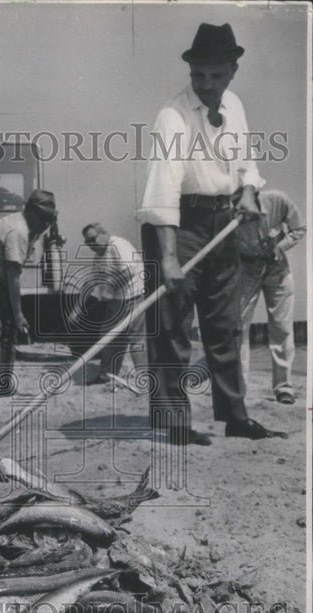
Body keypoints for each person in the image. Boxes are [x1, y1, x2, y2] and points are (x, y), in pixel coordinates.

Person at [137, 22, 284, 445]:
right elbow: (162, 190)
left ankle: (235, 416)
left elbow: (247, 164)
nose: (206, 84)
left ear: (233, 70)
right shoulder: (173, 116)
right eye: (198, 75)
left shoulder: (234, 105)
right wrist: (167, 257)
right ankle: (173, 421)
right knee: (172, 326)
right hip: (178, 227)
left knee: (224, 324)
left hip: (224, 223)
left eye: (216, 76)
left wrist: (250, 191)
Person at [0, 190, 58, 396]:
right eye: (43, 219)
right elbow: (14, 277)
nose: (46, 225)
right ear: (31, 212)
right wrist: (19, 315)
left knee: (8, 327)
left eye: (49, 220)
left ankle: (2, 381)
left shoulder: (33, 227)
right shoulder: (18, 231)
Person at [236, 189, 306, 405]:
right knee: (238, 328)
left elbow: (299, 227)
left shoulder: (278, 199)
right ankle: (240, 391)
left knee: (282, 327)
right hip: (246, 269)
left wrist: (280, 246)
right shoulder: (227, 212)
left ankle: (283, 387)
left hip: (277, 269)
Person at [81, 223, 147, 386]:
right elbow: (94, 281)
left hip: (134, 297)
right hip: (117, 303)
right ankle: (106, 376)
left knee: (136, 339)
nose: (91, 245)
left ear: (104, 233)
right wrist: (79, 306)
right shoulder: (99, 257)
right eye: (87, 242)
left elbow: (129, 271)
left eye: (93, 239)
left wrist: (110, 289)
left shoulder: (118, 245)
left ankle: (145, 378)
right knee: (108, 337)